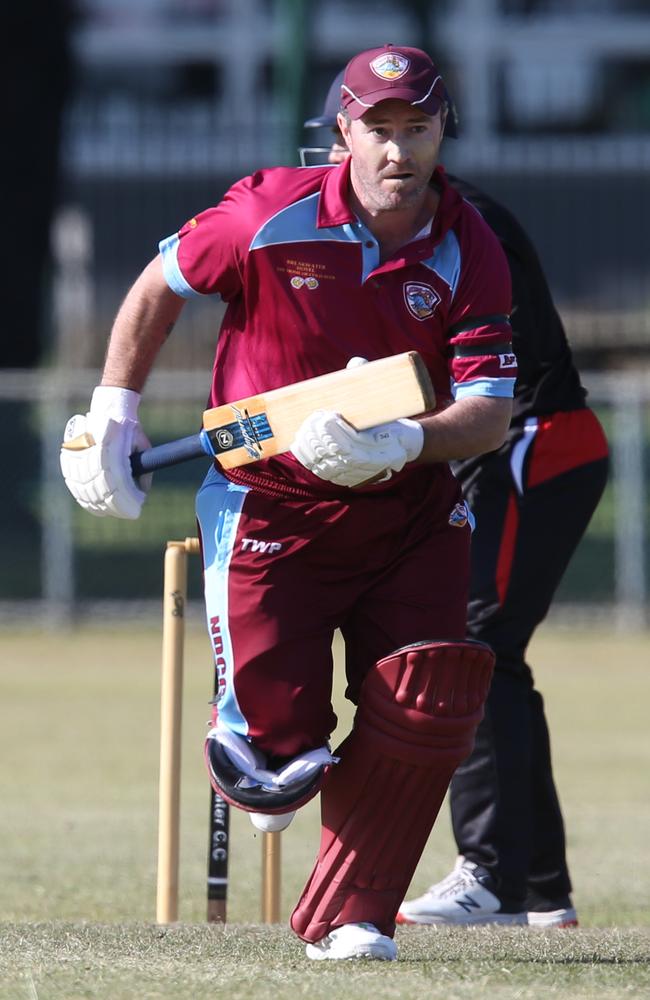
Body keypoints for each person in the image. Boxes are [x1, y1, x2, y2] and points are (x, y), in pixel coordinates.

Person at [60, 44, 516, 961]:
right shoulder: (269, 212)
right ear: (341, 131)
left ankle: (355, 915)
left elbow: (489, 414)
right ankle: (257, 748)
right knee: (272, 769)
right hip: (268, 503)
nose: (397, 152)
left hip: (410, 507)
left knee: (433, 689)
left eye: (416, 130)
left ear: (440, 134)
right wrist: (115, 410)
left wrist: (404, 440)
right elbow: (161, 284)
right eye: (377, 130)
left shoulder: (471, 244)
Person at [302, 70, 609, 929]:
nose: (368, 152)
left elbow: (465, 381)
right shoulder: (381, 227)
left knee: (471, 645)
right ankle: (540, 891)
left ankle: (497, 877)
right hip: (509, 454)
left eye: (410, 129)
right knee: (490, 650)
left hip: (532, 447)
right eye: (362, 131)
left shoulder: (458, 227)